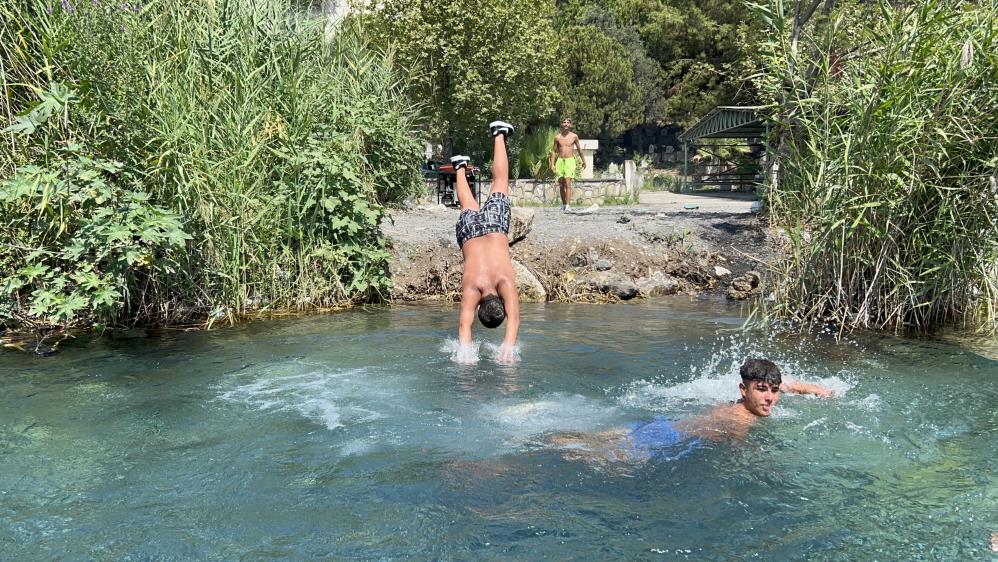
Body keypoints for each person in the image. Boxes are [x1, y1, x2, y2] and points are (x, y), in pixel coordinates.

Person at [547, 358, 833, 464]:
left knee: (584, 438)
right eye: (762, 389)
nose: (770, 397)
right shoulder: (741, 419)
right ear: (743, 390)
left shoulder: (762, 397)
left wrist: (818, 390)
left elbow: (790, 386)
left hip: (661, 423)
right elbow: (741, 455)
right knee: (587, 457)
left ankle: (550, 438)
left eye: (773, 390)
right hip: (665, 440)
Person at [451, 121, 521, 362]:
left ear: (500, 301)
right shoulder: (472, 290)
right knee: (467, 205)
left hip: (494, 228)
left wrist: (507, 349)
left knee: (499, 182)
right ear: (480, 306)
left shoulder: (505, 282)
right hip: (470, 234)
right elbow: (464, 326)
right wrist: (466, 355)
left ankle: (499, 134)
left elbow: (515, 319)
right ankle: (459, 167)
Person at [549, 117, 586, 212]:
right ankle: (564, 204)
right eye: (564, 122)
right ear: (562, 124)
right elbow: (553, 151)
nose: (566, 124)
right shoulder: (557, 137)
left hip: (570, 161)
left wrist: (584, 161)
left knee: (568, 183)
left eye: (567, 122)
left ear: (570, 125)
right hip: (560, 161)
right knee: (561, 184)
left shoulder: (574, 136)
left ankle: (568, 205)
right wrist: (552, 164)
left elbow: (579, 149)